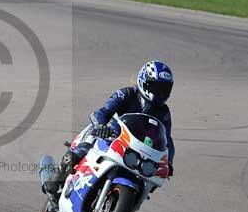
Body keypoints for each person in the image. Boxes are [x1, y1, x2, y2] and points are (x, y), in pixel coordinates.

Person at [43, 60, 175, 201]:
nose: (160, 93)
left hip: (135, 147)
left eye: (164, 89)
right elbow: (100, 113)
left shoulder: (164, 112)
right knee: (80, 151)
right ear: (144, 81)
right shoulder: (127, 94)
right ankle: (54, 178)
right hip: (109, 135)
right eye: (156, 87)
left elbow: (167, 139)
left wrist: (169, 162)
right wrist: (100, 127)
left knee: (149, 178)